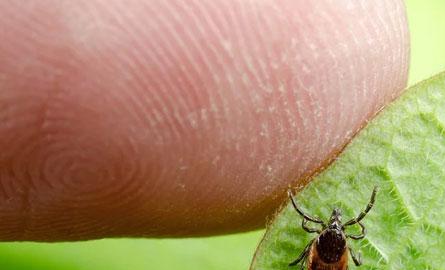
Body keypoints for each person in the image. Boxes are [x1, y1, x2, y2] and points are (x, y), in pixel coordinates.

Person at [0, 0, 409, 240]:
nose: (336, 225)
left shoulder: (320, 237)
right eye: (336, 229)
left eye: (331, 228)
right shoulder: (343, 237)